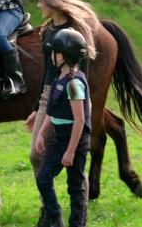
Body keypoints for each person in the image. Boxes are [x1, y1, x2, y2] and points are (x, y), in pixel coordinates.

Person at [25, 0, 98, 177]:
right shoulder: (47, 31)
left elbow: (83, 71)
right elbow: (48, 71)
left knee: (74, 161)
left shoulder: (78, 30)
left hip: (72, 92)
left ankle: (78, 205)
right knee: (35, 154)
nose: (39, 5)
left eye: (41, 0)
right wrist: (36, 108)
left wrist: (84, 104)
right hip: (50, 93)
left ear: (51, 1)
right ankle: (46, 204)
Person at [35, 28, 92, 227]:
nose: (52, 55)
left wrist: (70, 151)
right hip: (59, 138)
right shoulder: (59, 78)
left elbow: (79, 120)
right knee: (43, 179)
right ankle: (54, 217)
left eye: (54, 51)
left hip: (75, 140)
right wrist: (42, 132)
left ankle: (78, 223)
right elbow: (53, 110)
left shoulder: (75, 84)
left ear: (63, 55)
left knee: (75, 186)